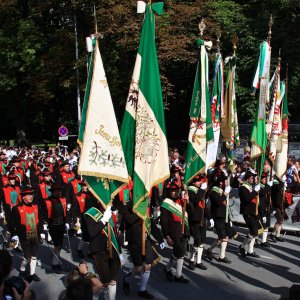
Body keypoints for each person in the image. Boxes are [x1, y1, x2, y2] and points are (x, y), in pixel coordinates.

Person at [122, 197, 164, 299]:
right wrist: (139, 212)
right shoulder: (127, 206)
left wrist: (160, 239)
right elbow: (128, 220)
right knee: (139, 267)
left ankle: (142, 289)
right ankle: (126, 279)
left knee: (148, 265)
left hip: (146, 241)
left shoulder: (145, 206)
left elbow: (152, 224)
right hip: (134, 241)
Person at [84, 200, 121, 300]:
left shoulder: (111, 212)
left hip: (112, 248)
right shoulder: (92, 212)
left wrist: (119, 251)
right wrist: (103, 220)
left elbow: (115, 233)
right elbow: (92, 232)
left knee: (113, 280)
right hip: (99, 249)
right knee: (105, 281)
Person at [10, 186, 44, 282]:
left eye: (31, 195)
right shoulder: (17, 208)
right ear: (23, 197)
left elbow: (40, 219)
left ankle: (32, 273)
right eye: (28, 195)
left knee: (35, 256)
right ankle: (22, 269)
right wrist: (14, 234)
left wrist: (41, 231)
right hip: (25, 237)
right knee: (27, 257)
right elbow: (12, 222)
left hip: (35, 235)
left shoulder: (36, 206)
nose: (30, 197)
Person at [161, 181, 189, 284]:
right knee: (179, 252)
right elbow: (164, 222)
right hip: (174, 232)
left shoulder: (181, 201)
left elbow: (188, 212)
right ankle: (167, 269)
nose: (174, 192)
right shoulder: (166, 203)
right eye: (172, 190)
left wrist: (187, 201)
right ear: (168, 191)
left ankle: (178, 275)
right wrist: (167, 236)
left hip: (184, 230)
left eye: (176, 190)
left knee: (182, 254)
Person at [186, 173, 213, 270]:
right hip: (194, 218)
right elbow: (196, 199)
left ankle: (199, 261)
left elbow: (204, 206)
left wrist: (209, 217)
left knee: (202, 242)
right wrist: (202, 190)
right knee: (197, 241)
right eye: (198, 181)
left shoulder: (200, 191)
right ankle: (191, 259)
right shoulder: (190, 190)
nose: (200, 182)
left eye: (200, 181)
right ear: (193, 181)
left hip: (202, 218)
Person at [42, 184, 70, 273]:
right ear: (53, 192)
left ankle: (56, 257)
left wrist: (67, 222)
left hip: (61, 224)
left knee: (60, 244)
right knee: (57, 244)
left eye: (59, 191)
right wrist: (44, 224)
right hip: (53, 225)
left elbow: (65, 212)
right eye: (57, 191)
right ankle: (55, 264)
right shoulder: (47, 201)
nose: (59, 192)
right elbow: (43, 213)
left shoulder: (62, 200)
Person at [207, 171, 232, 263]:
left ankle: (210, 250)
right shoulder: (214, 190)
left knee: (224, 237)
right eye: (225, 181)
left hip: (224, 216)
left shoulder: (222, 190)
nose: (227, 183)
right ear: (220, 182)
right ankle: (221, 256)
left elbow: (226, 205)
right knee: (223, 237)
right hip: (217, 216)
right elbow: (218, 201)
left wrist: (229, 218)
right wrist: (225, 194)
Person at [239, 168, 260, 258]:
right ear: (247, 179)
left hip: (254, 211)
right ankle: (243, 246)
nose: (253, 179)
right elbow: (247, 199)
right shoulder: (243, 187)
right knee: (254, 231)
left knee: (256, 231)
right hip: (247, 212)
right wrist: (255, 191)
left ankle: (249, 249)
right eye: (252, 178)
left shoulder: (250, 186)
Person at [258, 172, 273, 247]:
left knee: (267, 225)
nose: (265, 180)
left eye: (266, 179)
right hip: (261, 208)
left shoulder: (265, 185)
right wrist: (268, 185)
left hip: (266, 208)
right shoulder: (259, 186)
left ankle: (263, 241)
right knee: (260, 225)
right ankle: (256, 240)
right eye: (264, 179)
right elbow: (263, 192)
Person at [270, 175, 286, 242]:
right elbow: (278, 188)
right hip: (275, 204)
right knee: (280, 220)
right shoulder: (275, 181)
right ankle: (272, 234)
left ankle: (277, 235)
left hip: (280, 204)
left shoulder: (281, 182)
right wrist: (282, 182)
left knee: (281, 220)